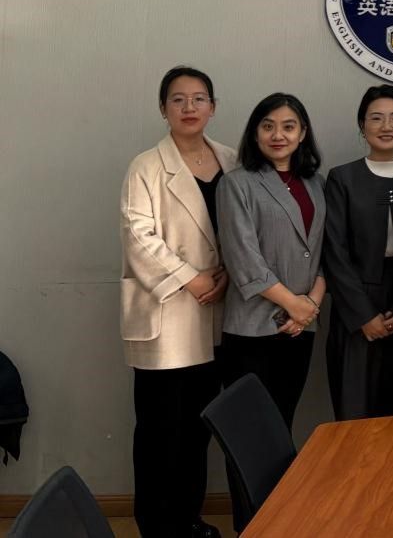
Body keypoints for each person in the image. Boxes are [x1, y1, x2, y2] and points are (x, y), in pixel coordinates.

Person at [120, 66, 235, 538]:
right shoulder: (146, 166)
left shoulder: (231, 159)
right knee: (159, 431)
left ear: (213, 107)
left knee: (198, 428)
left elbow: (243, 227)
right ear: (163, 108)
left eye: (199, 98)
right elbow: (138, 235)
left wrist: (228, 273)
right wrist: (190, 278)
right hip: (168, 312)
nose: (189, 108)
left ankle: (189, 520)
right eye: (178, 99)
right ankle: (157, 527)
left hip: (217, 311)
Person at [217, 92, 326, 435]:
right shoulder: (236, 183)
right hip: (252, 329)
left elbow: (324, 253)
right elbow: (243, 258)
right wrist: (294, 304)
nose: (278, 135)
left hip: (300, 327)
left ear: (302, 133)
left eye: (288, 127)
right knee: (250, 434)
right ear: (255, 133)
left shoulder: (316, 184)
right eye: (268, 126)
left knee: (282, 425)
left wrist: (310, 305)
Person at [322, 85, 393, 421]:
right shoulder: (342, 178)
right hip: (355, 302)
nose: (386, 126)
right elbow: (334, 250)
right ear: (362, 125)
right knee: (355, 409)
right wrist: (363, 315)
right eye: (376, 118)